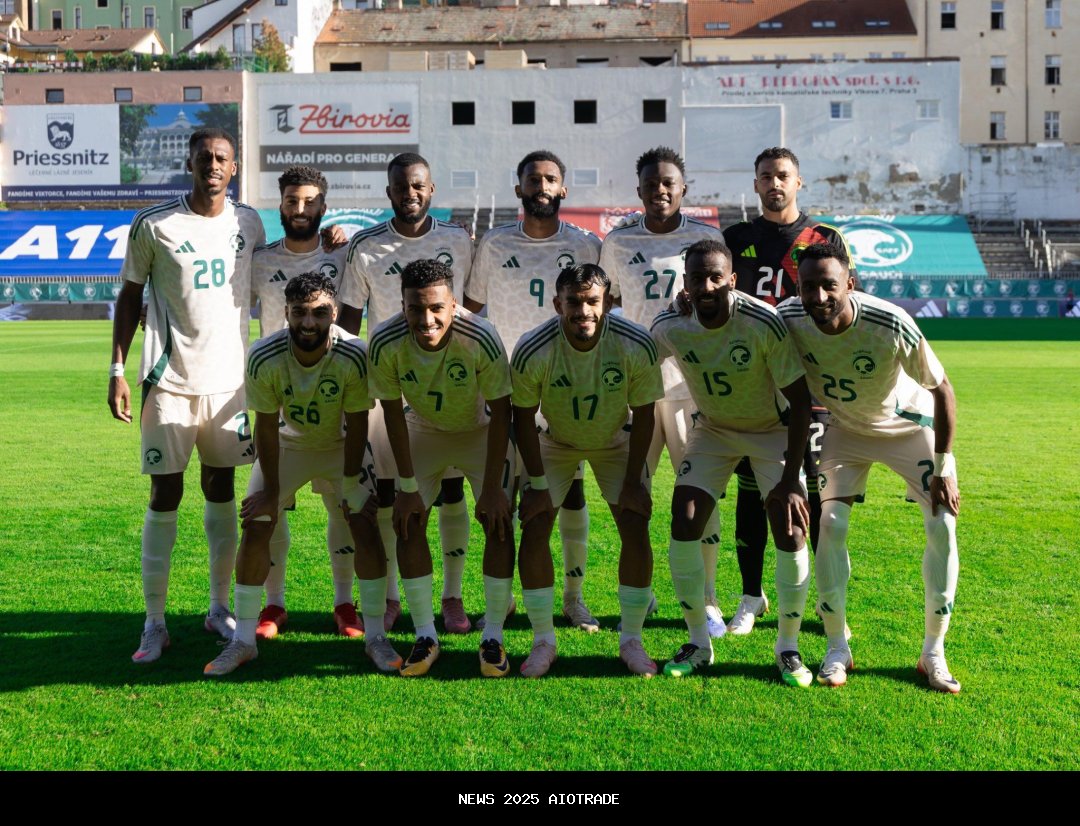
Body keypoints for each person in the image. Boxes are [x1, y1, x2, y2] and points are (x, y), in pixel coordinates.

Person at [109, 127, 266, 663]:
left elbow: (277, 274)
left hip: (229, 387)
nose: (213, 166)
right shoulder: (155, 224)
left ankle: (217, 608)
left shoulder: (249, 222)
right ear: (191, 163)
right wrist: (117, 369)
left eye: (222, 158)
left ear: (235, 165)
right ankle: (154, 622)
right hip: (169, 384)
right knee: (165, 495)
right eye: (205, 158)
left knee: (221, 490)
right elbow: (130, 295)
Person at [779, 243, 962, 693]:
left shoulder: (889, 322)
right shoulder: (788, 317)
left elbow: (944, 393)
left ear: (851, 285)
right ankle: (837, 645)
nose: (818, 297)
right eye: (808, 288)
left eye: (829, 286)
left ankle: (933, 652)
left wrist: (942, 467)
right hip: (847, 430)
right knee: (831, 521)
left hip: (908, 427)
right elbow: (741, 314)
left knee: (942, 524)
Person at [204, 273, 392, 675]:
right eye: (300, 313)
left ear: (334, 313)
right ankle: (242, 641)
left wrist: (349, 485)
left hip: (342, 443)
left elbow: (359, 422)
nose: (309, 323)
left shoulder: (354, 352)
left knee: (363, 520)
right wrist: (272, 490)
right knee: (257, 522)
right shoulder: (264, 354)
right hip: (290, 444)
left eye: (320, 313)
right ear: (286, 312)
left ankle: (375, 635)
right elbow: (267, 426)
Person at [650, 241, 814, 685]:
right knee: (685, 517)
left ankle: (788, 647)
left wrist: (791, 480)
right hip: (715, 430)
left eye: (715, 278)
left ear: (732, 281)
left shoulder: (762, 321)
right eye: (697, 278)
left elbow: (800, 402)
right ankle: (699, 643)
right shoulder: (671, 325)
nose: (706, 286)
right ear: (684, 283)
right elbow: (640, 365)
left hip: (771, 430)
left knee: (790, 525)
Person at [338, 153, 477, 635]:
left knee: (453, 492)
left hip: (451, 387)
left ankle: (453, 598)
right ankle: (394, 597)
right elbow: (349, 321)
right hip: (388, 391)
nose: (409, 194)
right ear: (389, 193)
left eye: (418, 186)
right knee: (391, 494)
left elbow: (472, 306)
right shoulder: (365, 246)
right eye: (401, 187)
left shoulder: (458, 241)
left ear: (431, 189)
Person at [464, 149, 602, 632]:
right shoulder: (495, 245)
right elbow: (471, 308)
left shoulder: (587, 244)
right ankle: (500, 603)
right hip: (504, 387)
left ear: (563, 189)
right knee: (503, 495)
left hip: (567, 386)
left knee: (572, 494)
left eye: (550, 179)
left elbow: (604, 309)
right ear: (519, 188)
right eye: (533, 179)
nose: (541, 186)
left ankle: (573, 596)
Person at [721, 147, 854, 635]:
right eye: (765, 176)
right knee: (752, 492)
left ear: (799, 182)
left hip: (810, 379)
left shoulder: (825, 238)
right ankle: (751, 597)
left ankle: (824, 598)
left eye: (783, 175)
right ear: (755, 185)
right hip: (752, 383)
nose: (774, 183)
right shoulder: (736, 238)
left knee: (816, 490)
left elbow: (843, 300)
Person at [598, 146, 728, 636]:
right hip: (636, 390)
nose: (660, 191)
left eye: (668, 183)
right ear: (640, 190)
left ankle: (709, 599)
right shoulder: (616, 242)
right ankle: (643, 591)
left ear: (683, 189)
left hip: (693, 390)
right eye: (651, 184)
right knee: (632, 493)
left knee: (701, 495)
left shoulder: (707, 238)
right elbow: (605, 305)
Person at [512, 264, 663, 678]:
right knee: (536, 522)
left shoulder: (635, 343)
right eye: (574, 302)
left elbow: (646, 414)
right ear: (557, 303)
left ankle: (631, 638)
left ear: (608, 303)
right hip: (556, 442)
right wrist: (539, 485)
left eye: (592, 301)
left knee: (634, 523)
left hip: (616, 440)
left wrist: (634, 481)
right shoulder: (534, 347)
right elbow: (522, 418)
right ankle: (543, 639)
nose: (584, 311)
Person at [368, 259, 515, 677]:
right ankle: (425, 633)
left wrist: (490, 487)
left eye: (436, 308)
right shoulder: (384, 340)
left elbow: (502, 409)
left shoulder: (480, 336)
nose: (426, 319)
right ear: (402, 306)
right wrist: (407, 485)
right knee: (409, 520)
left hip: (480, 428)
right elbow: (392, 411)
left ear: (454, 305)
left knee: (498, 520)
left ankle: (494, 637)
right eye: (415, 309)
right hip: (423, 428)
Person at [250, 165, 363, 640]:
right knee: (267, 507)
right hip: (280, 403)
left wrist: (350, 233)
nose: (300, 210)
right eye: (292, 201)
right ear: (280, 205)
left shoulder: (342, 255)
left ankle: (345, 605)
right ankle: (273, 607)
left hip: (337, 403)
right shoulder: (258, 261)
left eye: (310, 202)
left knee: (345, 510)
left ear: (323, 205)